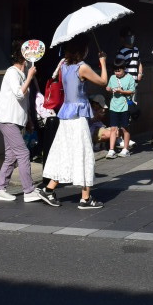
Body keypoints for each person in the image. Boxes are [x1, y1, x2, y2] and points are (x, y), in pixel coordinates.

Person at [41, 37, 107, 209]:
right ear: (82, 51)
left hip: (66, 114)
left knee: (65, 151)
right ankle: (85, 199)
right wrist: (103, 63)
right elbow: (103, 82)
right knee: (83, 152)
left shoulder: (63, 65)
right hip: (78, 117)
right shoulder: (82, 67)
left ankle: (49, 189)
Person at [0, 42, 51, 204]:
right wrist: (31, 76)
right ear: (24, 59)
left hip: (13, 119)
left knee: (11, 155)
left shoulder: (20, 74)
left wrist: (29, 120)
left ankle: (0, 189)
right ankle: (28, 190)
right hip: (7, 119)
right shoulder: (12, 73)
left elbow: (23, 100)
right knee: (23, 153)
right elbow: (19, 94)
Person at [106, 60, 135, 157]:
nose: (117, 73)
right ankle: (111, 150)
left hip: (125, 106)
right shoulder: (112, 77)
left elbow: (132, 91)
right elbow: (109, 87)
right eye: (115, 71)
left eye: (119, 71)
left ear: (124, 69)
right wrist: (109, 89)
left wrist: (121, 91)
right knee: (113, 128)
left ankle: (126, 149)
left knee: (124, 128)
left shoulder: (130, 78)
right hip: (114, 106)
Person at [117, 26, 143, 92]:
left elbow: (139, 63)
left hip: (135, 82)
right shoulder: (121, 52)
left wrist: (140, 73)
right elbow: (118, 68)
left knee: (134, 101)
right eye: (129, 36)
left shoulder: (136, 49)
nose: (131, 37)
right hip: (125, 83)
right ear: (122, 38)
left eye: (132, 35)